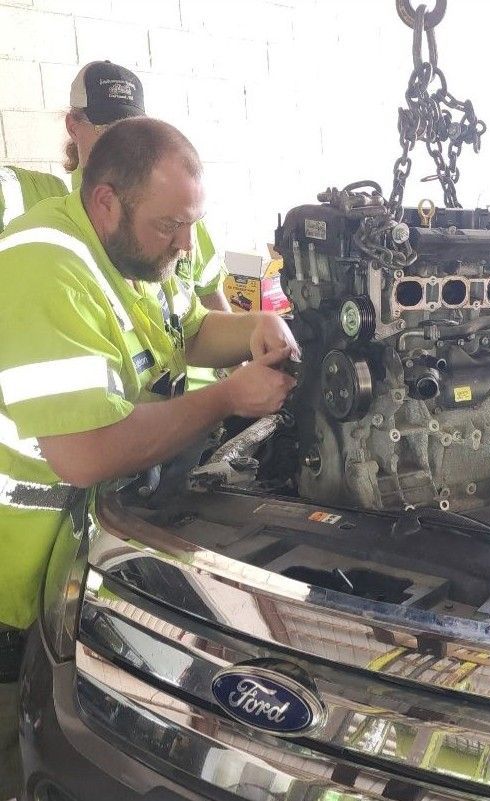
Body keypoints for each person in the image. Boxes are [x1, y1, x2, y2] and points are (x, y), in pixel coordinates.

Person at [0, 117, 298, 796]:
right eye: (169, 226)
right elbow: (83, 452)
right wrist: (226, 398)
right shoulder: (44, 266)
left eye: (191, 224)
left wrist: (256, 326)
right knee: (32, 755)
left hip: (88, 561)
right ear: (104, 201)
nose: (186, 245)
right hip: (14, 589)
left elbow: (186, 330)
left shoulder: (139, 252)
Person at [0, 60, 230, 312]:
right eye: (107, 129)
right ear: (73, 126)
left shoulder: (181, 219)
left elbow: (211, 300)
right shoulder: (28, 197)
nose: (123, 145)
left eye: (132, 131)